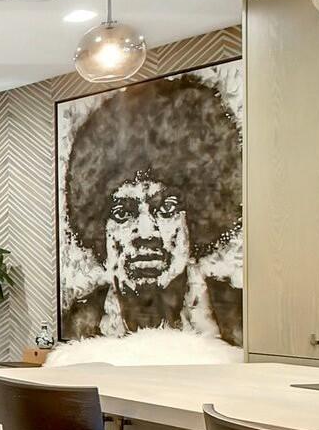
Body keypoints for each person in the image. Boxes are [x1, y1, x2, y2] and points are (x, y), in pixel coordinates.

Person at [61, 74, 242, 344]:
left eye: (166, 208)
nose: (146, 233)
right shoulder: (76, 323)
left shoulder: (238, 317)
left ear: (195, 222)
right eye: (123, 213)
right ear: (100, 232)